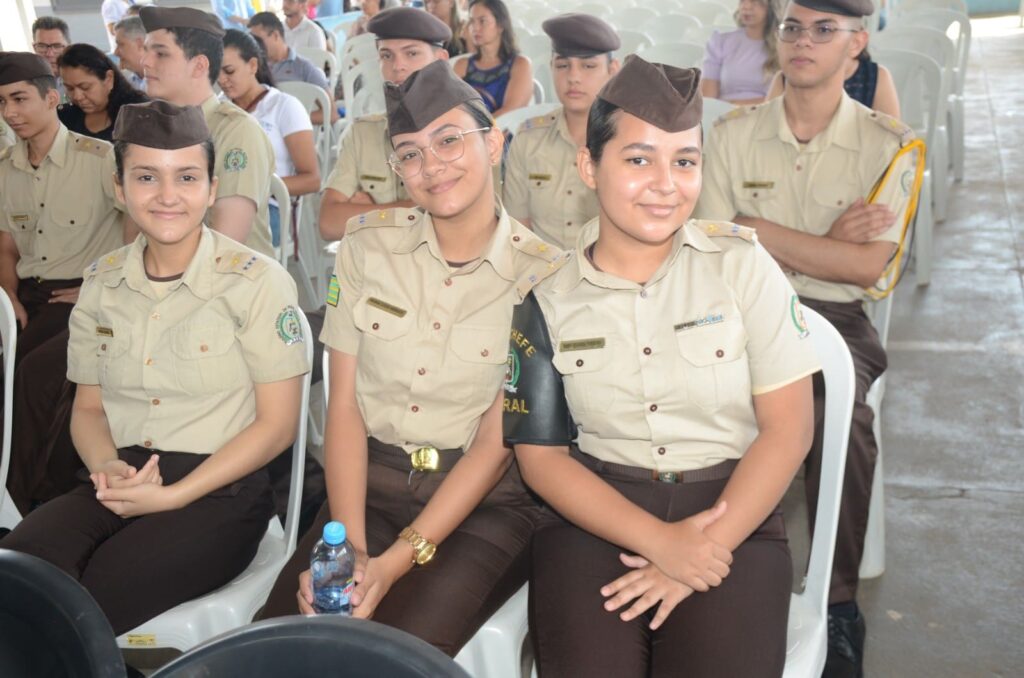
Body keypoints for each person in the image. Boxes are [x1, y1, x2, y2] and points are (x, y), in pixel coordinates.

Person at [504, 54, 819, 677]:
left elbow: (789, 428)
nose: (666, 183)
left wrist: (701, 548)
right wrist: (663, 545)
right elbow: (541, 460)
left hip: (734, 511)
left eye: (685, 161)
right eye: (639, 158)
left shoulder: (742, 266)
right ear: (589, 167)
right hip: (593, 518)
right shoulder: (546, 297)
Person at [259, 60, 568, 657]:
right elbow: (342, 407)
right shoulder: (367, 247)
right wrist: (344, 550)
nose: (432, 167)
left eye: (450, 140)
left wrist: (394, 563)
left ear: (494, 142)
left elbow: (490, 445)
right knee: (280, 648)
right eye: (410, 153)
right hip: (363, 489)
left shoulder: (544, 276)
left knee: (392, 655)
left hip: (482, 505)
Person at [0, 99, 309, 637]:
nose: (167, 196)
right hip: (118, 474)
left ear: (212, 189)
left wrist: (174, 495)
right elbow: (89, 409)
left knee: (84, 605)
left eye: (187, 177)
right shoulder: (103, 280)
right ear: (119, 189)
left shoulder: (256, 282)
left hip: (220, 492)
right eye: (146, 177)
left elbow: (277, 426)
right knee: (18, 574)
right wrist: (106, 466)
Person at [694, 1, 921, 675]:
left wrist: (755, 227)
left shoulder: (890, 146)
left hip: (835, 320)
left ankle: (838, 603)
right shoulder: (731, 134)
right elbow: (711, 245)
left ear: (857, 46)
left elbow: (866, 267)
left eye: (826, 30)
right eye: (793, 27)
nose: (804, 41)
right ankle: (701, 562)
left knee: (840, 417)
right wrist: (820, 244)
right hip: (734, 310)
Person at [0, 52, 125, 513]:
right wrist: (8, 295)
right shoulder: (5, 167)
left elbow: (137, 230)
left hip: (86, 296)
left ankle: (33, 499)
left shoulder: (98, 158)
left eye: (19, 99)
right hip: (28, 293)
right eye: (1, 103)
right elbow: (6, 247)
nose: (10, 113)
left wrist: (100, 285)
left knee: (34, 374)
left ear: (52, 98)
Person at [142, 5, 275, 257]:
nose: (145, 61)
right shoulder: (150, 130)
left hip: (229, 287)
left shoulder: (236, 132)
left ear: (199, 66)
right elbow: (134, 231)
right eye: (146, 51)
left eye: (160, 53)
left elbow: (225, 245)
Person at [318, 7, 451, 241]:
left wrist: (367, 214)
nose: (397, 66)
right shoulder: (362, 133)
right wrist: (416, 208)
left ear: (440, 61)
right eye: (387, 55)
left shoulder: (466, 133)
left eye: (411, 54)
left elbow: (462, 227)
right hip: (378, 269)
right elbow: (329, 223)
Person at [503, 13, 619, 249]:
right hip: (544, 276)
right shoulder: (528, 139)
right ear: (551, 68)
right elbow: (518, 231)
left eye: (588, 66)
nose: (573, 77)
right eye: (563, 65)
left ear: (613, 70)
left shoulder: (631, 143)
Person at [220, 29, 321, 247]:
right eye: (215, 73)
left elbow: (311, 179)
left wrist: (253, 186)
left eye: (229, 71)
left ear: (253, 66)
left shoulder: (283, 106)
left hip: (268, 208)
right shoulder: (218, 108)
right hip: (220, 203)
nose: (221, 80)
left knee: (220, 240)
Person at [767, 43, 901, 118]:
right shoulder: (785, 78)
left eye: (824, 30)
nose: (805, 41)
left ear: (856, 41)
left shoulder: (875, 77)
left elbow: (893, 144)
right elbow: (764, 134)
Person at [248, 12, 335, 124]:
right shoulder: (253, 69)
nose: (254, 45)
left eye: (258, 40)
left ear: (275, 35)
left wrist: (287, 119)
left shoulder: (304, 68)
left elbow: (332, 114)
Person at [454, 0, 532, 116]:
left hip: (500, 132)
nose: (475, 27)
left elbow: (510, 114)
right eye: (472, 21)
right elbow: (449, 106)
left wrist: (476, 131)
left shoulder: (520, 65)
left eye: (482, 21)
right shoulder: (462, 65)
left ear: (500, 25)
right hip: (464, 130)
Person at [58, 43, 149, 143]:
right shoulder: (64, 117)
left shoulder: (139, 113)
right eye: (70, 88)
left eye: (85, 87)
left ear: (109, 79)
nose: (77, 96)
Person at [701, 0, 783, 105]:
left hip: (765, 115)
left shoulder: (785, 46)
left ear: (770, 6)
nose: (746, 6)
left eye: (754, 1)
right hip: (723, 115)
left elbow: (782, 100)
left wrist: (734, 104)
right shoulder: (720, 41)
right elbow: (708, 98)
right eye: (742, 1)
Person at [32, 16, 70, 102]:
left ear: (68, 47)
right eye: (42, 46)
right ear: (34, 48)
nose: (49, 54)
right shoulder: (26, 83)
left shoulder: (81, 79)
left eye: (56, 46)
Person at [114, 16, 148, 92]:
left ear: (139, 44)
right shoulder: (125, 82)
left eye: (121, 44)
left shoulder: (166, 84)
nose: (115, 52)